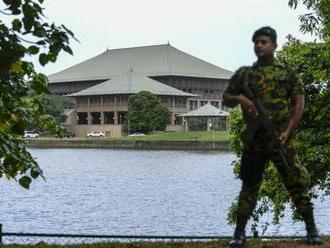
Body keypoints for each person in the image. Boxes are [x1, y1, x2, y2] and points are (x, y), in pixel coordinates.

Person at [223, 26, 322, 247]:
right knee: (249, 187)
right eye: (256, 42)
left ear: (274, 45)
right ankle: (239, 234)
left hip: (280, 140)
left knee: (296, 183)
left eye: (264, 41)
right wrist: (243, 100)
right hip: (255, 142)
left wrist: (287, 131)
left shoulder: (287, 73)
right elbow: (226, 97)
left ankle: (312, 230)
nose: (259, 45)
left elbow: (298, 105)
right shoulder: (245, 75)